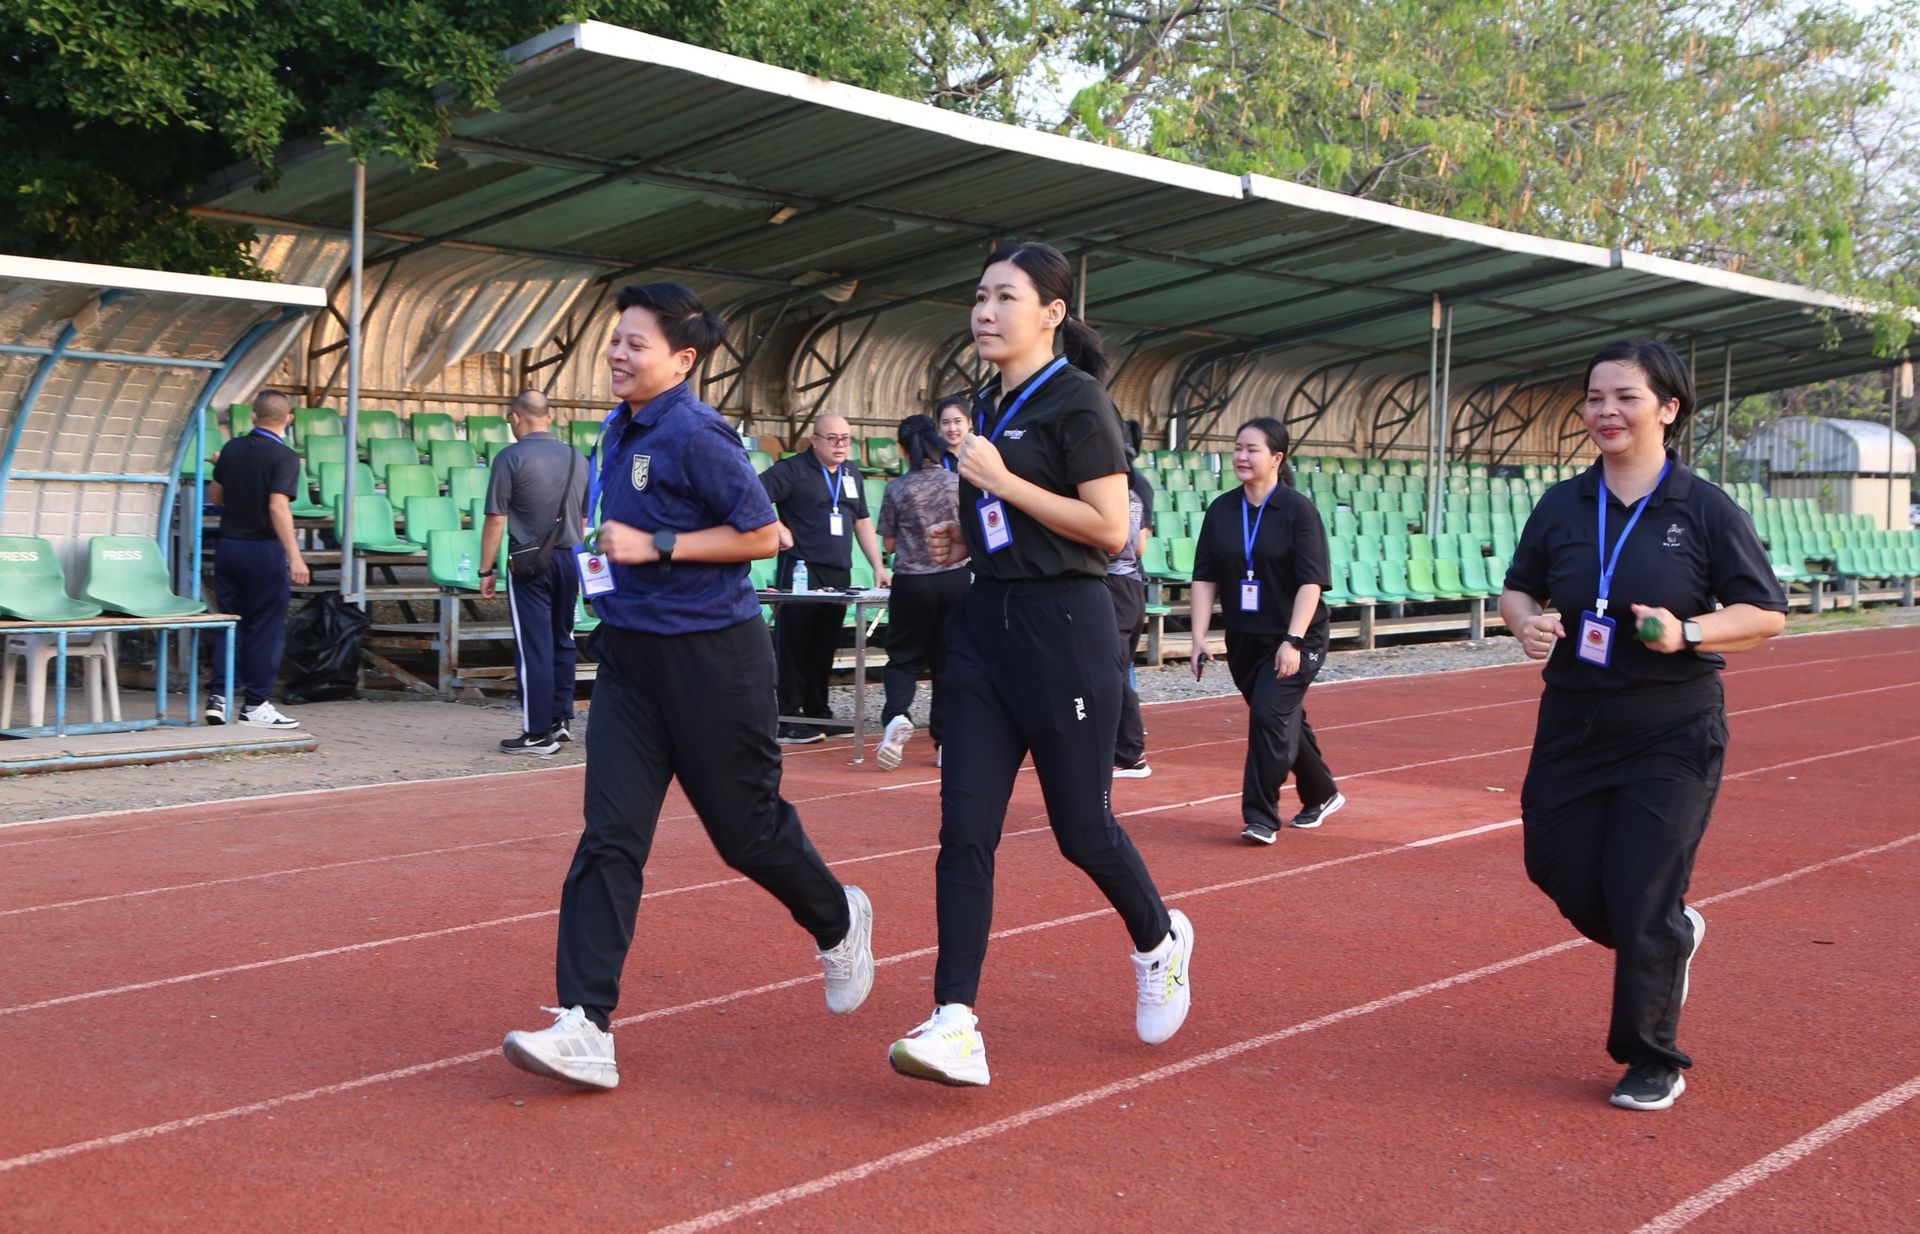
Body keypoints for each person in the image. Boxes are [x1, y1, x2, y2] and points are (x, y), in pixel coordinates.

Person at [501, 282, 875, 1091]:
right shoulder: (617, 426)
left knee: (747, 835)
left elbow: (764, 535)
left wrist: (657, 545)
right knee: (610, 837)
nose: (617, 352)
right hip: (631, 663)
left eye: (635, 343)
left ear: (682, 360)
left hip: (714, 662)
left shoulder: (698, 433)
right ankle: (585, 1024)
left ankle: (837, 916)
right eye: (616, 339)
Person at [886, 241, 1194, 1088]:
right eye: (979, 296)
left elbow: (1109, 528)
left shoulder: (1079, 400)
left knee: (1082, 830)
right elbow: (1008, 515)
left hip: (1066, 629)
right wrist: (969, 532)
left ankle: (1159, 942)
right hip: (985, 627)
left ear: (1052, 313)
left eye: (1005, 298)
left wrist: (1001, 483)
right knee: (964, 828)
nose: (984, 312)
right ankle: (955, 1020)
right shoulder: (989, 400)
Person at [1500, 337, 1786, 1112]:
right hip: (1573, 721)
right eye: (1595, 397)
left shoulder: (1703, 508)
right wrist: (1524, 622)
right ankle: (1668, 934)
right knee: (1557, 869)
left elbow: (1765, 614)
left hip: (1671, 727)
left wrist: (1687, 630)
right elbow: (1518, 589)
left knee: (1642, 889)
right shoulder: (1563, 504)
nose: (1606, 411)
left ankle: (1651, 1055)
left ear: (1668, 409)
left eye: (1626, 397)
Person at [1188, 418, 1344, 844]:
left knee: (1268, 716)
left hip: (1296, 636)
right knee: (1280, 715)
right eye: (1237, 448)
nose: (1241, 456)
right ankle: (1322, 793)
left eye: (1251, 449)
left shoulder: (1298, 511)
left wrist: (1293, 641)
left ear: (1277, 458)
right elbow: (1204, 576)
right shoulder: (1221, 510)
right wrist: (1199, 636)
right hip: (1244, 638)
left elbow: (1311, 583)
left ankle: (1260, 816)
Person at [758, 413, 891, 744]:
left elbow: (862, 520)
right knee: (795, 645)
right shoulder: (792, 470)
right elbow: (753, 492)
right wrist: (778, 527)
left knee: (824, 645)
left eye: (845, 438)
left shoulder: (850, 472)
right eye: (832, 438)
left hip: (837, 570)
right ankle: (789, 719)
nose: (840, 445)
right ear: (814, 440)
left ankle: (818, 713)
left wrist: (877, 565)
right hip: (801, 569)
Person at [480, 390, 587, 755]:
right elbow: (583, 518)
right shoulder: (577, 457)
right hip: (569, 558)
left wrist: (486, 569)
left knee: (533, 647)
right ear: (549, 418)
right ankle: (560, 721)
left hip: (529, 562)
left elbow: (496, 518)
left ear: (514, 418)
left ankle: (537, 733)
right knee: (562, 639)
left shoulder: (510, 457)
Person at [204, 390, 308, 729]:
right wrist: (295, 556)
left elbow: (216, 498)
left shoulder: (231, 449)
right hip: (262, 550)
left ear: (253, 416)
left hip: (229, 546)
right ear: (288, 419)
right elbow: (278, 506)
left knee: (229, 620)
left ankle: (218, 696)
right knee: (265, 627)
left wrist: (223, 468)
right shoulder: (285, 456)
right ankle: (255, 704)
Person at [873, 414, 969, 771]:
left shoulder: (896, 488)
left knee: (903, 658)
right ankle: (946, 743)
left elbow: (889, 542)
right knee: (949, 661)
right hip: (955, 579)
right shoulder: (957, 483)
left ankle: (897, 715)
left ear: (902, 449)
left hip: (912, 581)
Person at [1107, 423, 1156, 778]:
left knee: (1113, 671)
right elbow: (1138, 545)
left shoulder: (1113, 496)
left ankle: (1130, 753)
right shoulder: (1134, 493)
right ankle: (1124, 745)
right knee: (1117, 668)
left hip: (1113, 585)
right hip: (1131, 585)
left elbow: (1123, 544)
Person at [935, 395, 970, 468]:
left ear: (969, 423)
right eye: (946, 422)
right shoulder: (932, 459)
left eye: (958, 421)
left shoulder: (980, 455)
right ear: (938, 425)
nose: (952, 429)